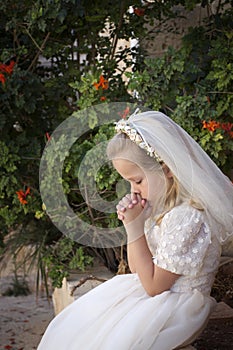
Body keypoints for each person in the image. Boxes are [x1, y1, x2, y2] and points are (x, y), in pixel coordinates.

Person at [38, 110, 233, 350]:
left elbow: (154, 286)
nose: (133, 189)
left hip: (177, 308)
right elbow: (138, 270)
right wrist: (136, 223)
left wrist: (134, 229)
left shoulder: (187, 217)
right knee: (79, 325)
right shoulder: (161, 208)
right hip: (156, 296)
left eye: (137, 180)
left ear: (167, 168)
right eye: (129, 181)